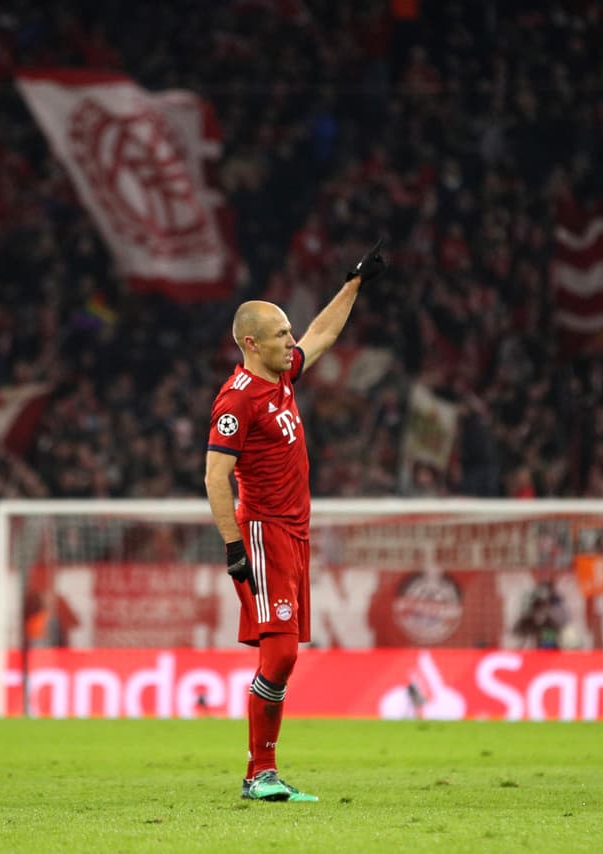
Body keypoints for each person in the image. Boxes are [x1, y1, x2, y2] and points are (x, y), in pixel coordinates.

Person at [204, 238, 387, 803]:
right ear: (252, 343)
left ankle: (262, 774)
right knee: (281, 654)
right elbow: (214, 479)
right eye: (282, 334)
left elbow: (323, 334)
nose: (292, 341)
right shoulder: (236, 401)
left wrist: (353, 283)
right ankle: (260, 774)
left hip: (293, 532)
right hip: (261, 532)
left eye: (290, 332)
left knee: (280, 654)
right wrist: (235, 548)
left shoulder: (280, 376)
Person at [512, 578, 567, 650]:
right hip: (530, 654)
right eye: (540, 606)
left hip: (546, 655)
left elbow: (549, 647)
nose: (542, 610)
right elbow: (517, 636)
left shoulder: (550, 624)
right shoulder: (526, 621)